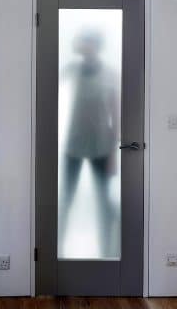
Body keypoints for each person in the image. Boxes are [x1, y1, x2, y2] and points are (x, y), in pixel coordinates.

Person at [60, 28, 119, 257]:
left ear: (96, 45)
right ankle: (58, 253)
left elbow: (116, 113)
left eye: (88, 42)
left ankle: (108, 254)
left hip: (101, 146)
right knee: (66, 198)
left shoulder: (109, 74)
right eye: (82, 42)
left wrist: (114, 154)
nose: (84, 45)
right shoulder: (72, 70)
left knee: (104, 202)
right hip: (73, 145)